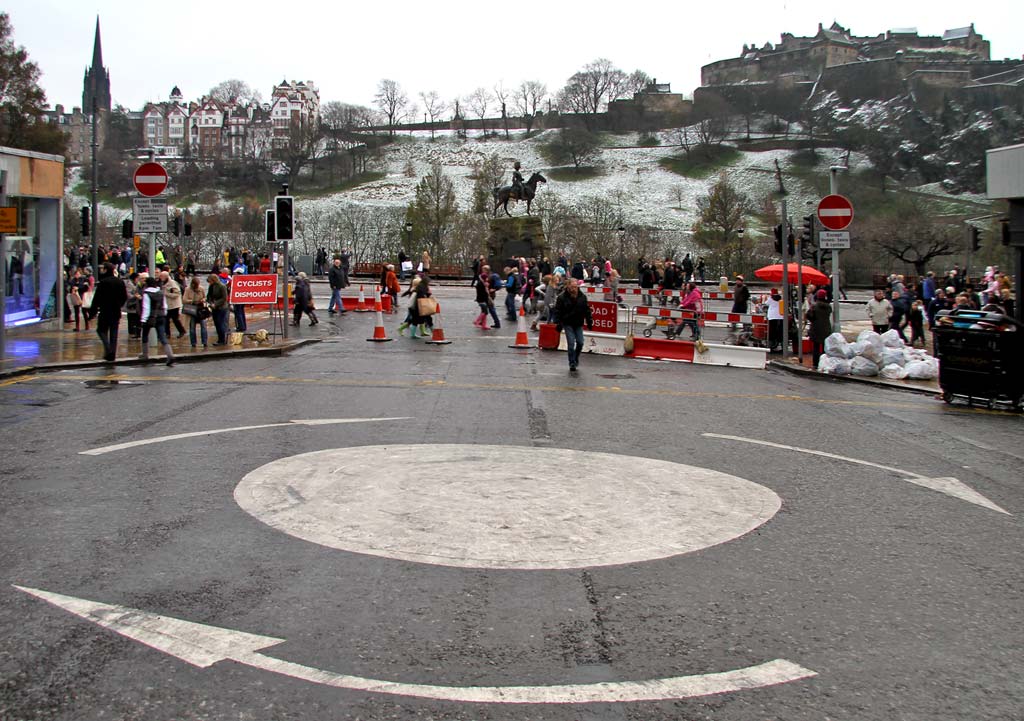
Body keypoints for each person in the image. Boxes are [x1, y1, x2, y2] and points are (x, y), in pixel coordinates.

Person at [89, 262, 128, 362]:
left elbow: (97, 298)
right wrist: (119, 305)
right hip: (115, 311)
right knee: (114, 333)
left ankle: (108, 349)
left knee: (101, 330)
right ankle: (112, 353)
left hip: (105, 311)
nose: (101, 271)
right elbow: (124, 297)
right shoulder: (119, 281)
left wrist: (92, 312)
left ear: (106, 270)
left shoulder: (103, 282)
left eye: (102, 269)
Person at [554, 278, 593, 372]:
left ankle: (576, 357)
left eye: (575, 287)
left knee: (580, 342)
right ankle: (572, 362)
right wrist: (559, 323)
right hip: (567, 323)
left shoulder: (582, 297)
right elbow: (558, 311)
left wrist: (589, 321)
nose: (574, 289)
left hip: (578, 323)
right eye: (572, 287)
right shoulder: (562, 297)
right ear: (568, 286)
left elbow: (587, 310)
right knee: (571, 343)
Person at [138, 276, 175, 366]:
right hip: (161, 316)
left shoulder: (146, 293)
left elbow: (146, 307)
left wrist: (143, 319)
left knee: (145, 335)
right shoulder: (160, 293)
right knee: (162, 337)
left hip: (150, 317)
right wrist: (164, 313)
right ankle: (170, 354)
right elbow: (165, 305)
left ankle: (145, 354)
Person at [806, 289, 832, 368]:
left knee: (816, 348)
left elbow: (809, 316)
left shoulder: (814, 306)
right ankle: (823, 363)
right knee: (825, 347)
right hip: (826, 329)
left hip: (816, 329)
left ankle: (815, 364)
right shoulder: (828, 307)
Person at [182, 275, 209, 348]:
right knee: (192, 327)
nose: (197, 286)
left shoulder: (201, 288)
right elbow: (184, 300)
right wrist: (192, 301)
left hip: (201, 309)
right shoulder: (188, 289)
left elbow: (205, 297)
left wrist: (203, 299)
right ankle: (193, 343)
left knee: (203, 326)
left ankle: (205, 342)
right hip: (192, 309)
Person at [160, 271, 187, 339]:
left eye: (162, 276)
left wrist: (166, 294)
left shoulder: (172, 283)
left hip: (174, 305)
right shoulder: (163, 283)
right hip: (167, 305)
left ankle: (182, 331)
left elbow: (177, 293)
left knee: (175, 319)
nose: (161, 278)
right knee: (166, 320)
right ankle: (167, 334)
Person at [206, 273, 229, 345]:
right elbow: (209, 296)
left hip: (222, 307)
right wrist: (210, 302)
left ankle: (222, 340)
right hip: (214, 307)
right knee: (216, 324)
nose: (209, 283)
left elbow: (224, 298)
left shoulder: (222, 286)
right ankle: (219, 339)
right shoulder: (211, 286)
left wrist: (216, 304)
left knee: (220, 323)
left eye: (210, 281)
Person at [766, 288, 784, 353]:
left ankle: (771, 346)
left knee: (772, 331)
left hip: (772, 317)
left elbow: (766, 303)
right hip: (781, 316)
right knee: (780, 331)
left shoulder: (770, 298)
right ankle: (782, 345)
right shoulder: (781, 297)